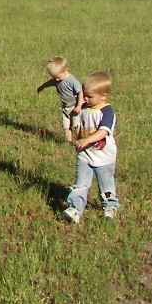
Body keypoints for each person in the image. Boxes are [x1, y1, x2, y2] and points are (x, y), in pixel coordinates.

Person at [62, 71, 120, 223]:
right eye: (84, 95)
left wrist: (87, 140)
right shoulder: (84, 108)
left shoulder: (107, 112)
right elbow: (81, 126)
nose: (85, 99)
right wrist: (79, 137)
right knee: (80, 183)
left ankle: (110, 205)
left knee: (105, 184)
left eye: (89, 96)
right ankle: (75, 208)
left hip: (103, 157)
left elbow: (102, 132)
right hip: (85, 156)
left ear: (103, 95)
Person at [36, 56, 84, 143]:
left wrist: (79, 105)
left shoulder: (72, 81)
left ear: (65, 70)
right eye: (54, 78)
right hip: (65, 107)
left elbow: (80, 92)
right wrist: (42, 87)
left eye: (58, 77)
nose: (56, 80)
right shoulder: (57, 79)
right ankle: (69, 141)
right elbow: (50, 82)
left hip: (74, 106)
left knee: (77, 124)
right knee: (66, 125)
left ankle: (80, 140)